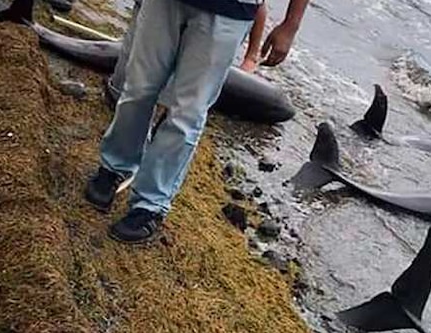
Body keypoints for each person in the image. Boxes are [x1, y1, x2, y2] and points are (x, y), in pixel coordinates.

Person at [86, 0, 308, 243]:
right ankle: (114, 166)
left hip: (230, 12)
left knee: (187, 112)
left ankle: (150, 204)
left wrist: (291, 24)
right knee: (138, 89)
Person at [105, 0, 269, 106]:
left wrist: (252, 55)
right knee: (129, 90)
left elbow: (257, 6)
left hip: (224, 12)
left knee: (185, 110)